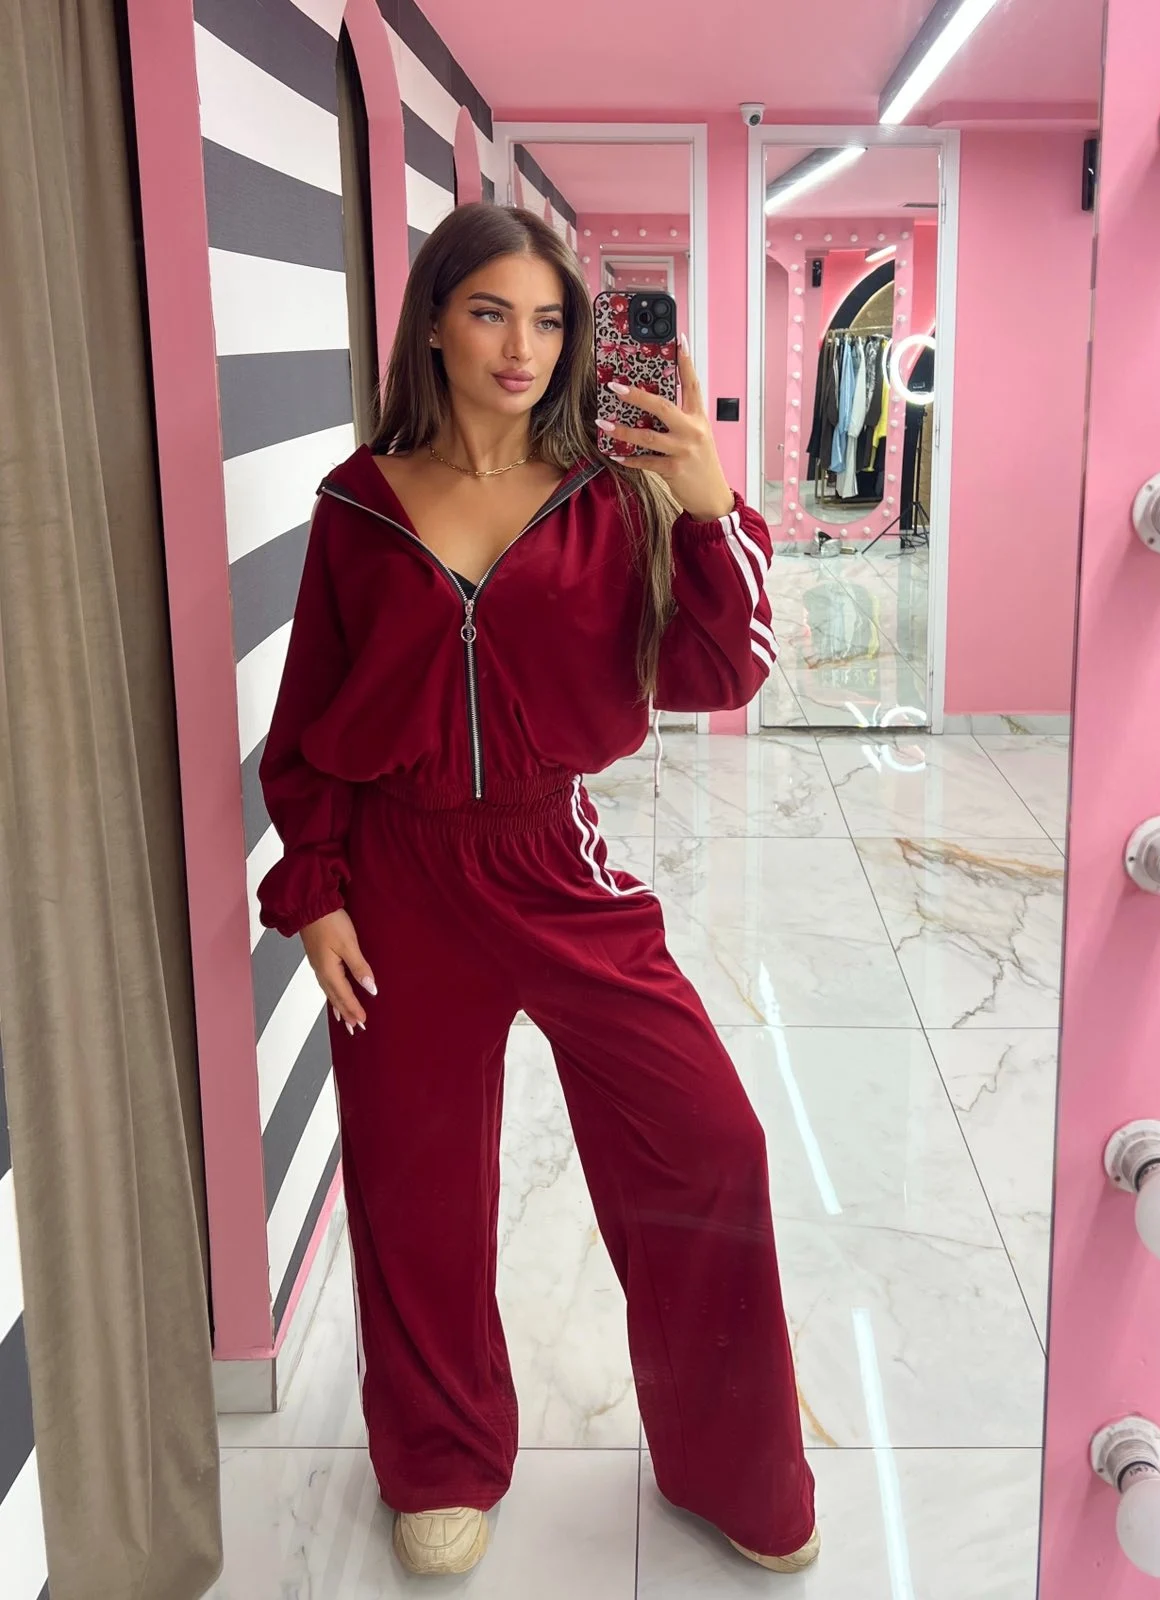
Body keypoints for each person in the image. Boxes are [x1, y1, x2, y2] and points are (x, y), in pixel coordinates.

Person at [256, 202, 819, 1579]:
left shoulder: (611, 495)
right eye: (492, 312)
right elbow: (309, 717)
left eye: (552, 320)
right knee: (416, 1190)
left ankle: (733, 1459)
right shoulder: (357, 504)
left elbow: (723, 672)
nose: (524, 346)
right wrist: (314, 890)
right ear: (435, 327)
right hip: (393, 877)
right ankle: (440, 1461)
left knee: (709, 1141)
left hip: (550, 860)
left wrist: (709, 504)